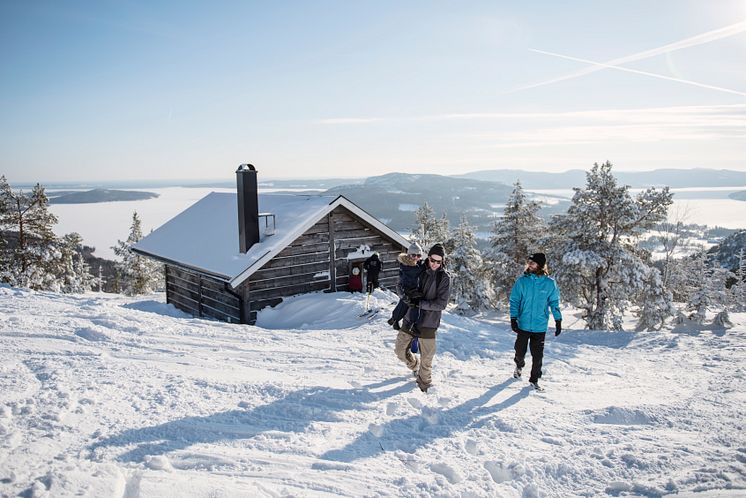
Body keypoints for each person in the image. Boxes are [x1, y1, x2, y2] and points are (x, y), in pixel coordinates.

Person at [394, 243, 451, 393]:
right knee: (400, 351)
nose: (435, 264)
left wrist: (420, 303)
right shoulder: (418, 270)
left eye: (439, 262)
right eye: (433, 260)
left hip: (429, 322)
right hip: (411, 317)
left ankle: (424, 386)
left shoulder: (444, 278)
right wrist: (405, 297)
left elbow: (441, 304)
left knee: (427, 359)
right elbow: (400, 285)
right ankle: (414, 365)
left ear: (442, 262)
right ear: (428, 258)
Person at [509, 252, 562, 391]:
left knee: (538, 356)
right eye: (529, 262)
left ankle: (534, 380)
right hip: (524, 324)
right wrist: (513, 318)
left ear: (540, 265)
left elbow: (554, 302)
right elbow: (514, 300)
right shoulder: (522, 281)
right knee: (520, 351)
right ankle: (519, 365)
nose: (529, 264)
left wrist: (558, 320)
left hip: (540, 326)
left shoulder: (550, 283)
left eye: (532, 262)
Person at [387, 242, 425, 330]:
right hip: (407, 290)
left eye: (418, 255)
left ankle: (411, 324)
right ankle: (395, 319)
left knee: (415, 307)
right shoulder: (406, 266)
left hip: (416, 291)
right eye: (413, 255)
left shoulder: (420, 265)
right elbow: (400, 282)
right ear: (409, 255)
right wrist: (403, 295)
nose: (416, 257)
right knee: (403, 305)